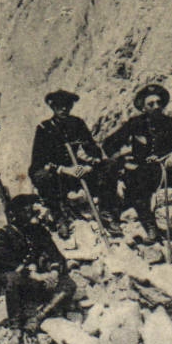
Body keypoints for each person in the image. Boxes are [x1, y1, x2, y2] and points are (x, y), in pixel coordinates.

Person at [102, 83, 172, 242]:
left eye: (158, 103)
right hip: (142, 171)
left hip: (166, 169)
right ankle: (150, 226)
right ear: (143, 107)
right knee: (134, 181)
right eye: (151, 104)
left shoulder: (171, 123)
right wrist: (123, 159)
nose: (156, 106)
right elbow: (108, 144)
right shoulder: (134, 124)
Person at [0, 194, 76, 344]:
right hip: (18, 282)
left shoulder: (39, 231)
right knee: (12, 279)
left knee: (68, 284)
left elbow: (56, 255)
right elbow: (7, 263)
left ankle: (37, 318)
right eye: (25, 210)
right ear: (15, 214)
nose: (30, 213)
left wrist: (54, 272)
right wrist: (34, 275)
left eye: (30, 209)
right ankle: (16, 329)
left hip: (37, 280)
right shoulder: (4, 234)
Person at [27, 90, 119, 235]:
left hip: (79, 171)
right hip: (58, 174)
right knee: (41, 176)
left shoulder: (77, 123)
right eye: (59, 106)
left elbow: (93, 149)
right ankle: (59, 217)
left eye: (67, 105)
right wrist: (64, 169)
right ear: (53, 107)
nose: (64, 109)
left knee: (110, 165)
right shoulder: (44, 128)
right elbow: (39, 160)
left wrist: (87, 167)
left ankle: (106, 212)